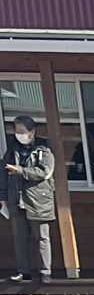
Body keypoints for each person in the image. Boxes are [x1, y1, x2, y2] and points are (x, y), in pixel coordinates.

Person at [4, 112, 56, 284]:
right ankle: (23, 271)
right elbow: (2, 173)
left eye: (22, 130)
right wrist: (2, 196)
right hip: (16, 200)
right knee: (20, 238)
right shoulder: (12, 149)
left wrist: (20, 170)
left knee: (42, 237)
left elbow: (44, 172)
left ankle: (45, 272)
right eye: (16, 130)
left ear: (32, 131)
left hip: (38, 200)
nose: (19, 134)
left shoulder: (44, 149)